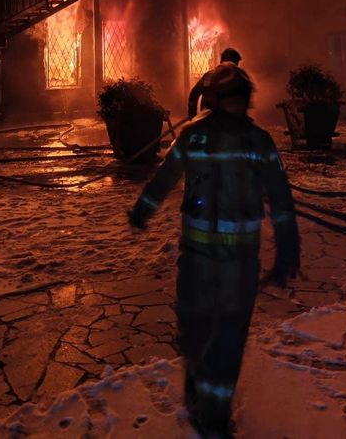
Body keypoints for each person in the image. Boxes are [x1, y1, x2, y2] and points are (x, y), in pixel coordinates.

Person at [129, 62, 300, 437]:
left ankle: (215, 415)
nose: (237, 106)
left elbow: (282, 200)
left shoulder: (259, 142)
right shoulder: (193, 136)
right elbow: (165, 177)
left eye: (242, 99)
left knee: (229, 336)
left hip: (239, 261)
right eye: (231, 99)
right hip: (197, 258)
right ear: (215, 99)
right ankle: (198, 390)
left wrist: (288, 251)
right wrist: (144, 208)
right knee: (195, 329)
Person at [187, 47, 242, 119]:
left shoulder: (210, 75)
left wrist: (192, 115)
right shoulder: (236, 79)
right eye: (235, 64)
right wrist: (192, 115)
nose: (237, 67)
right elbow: (194, 94)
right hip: (218, 121)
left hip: (211, 120)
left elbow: (194, 94)